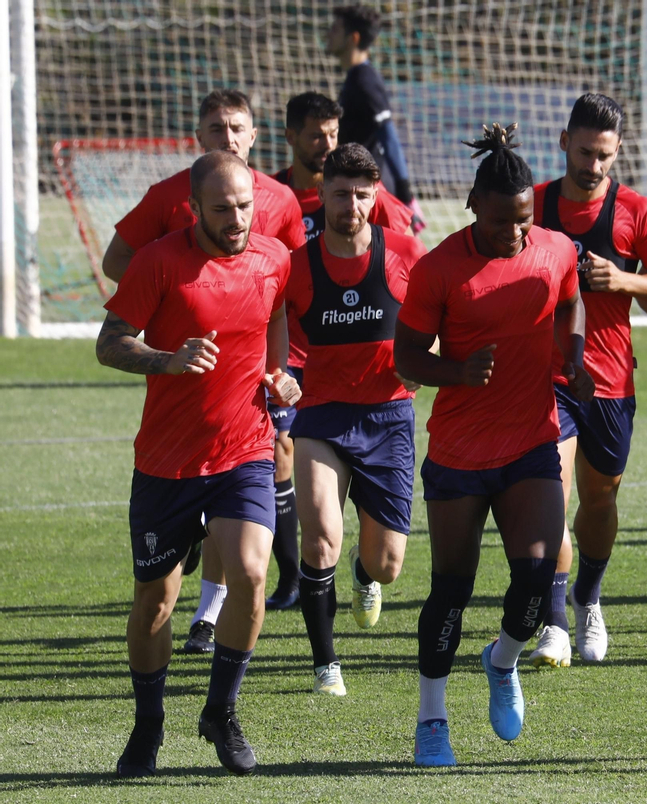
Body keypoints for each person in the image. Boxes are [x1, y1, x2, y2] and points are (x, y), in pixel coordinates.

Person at [393, 123, 590, 767]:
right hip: (457, 452)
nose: (517, 233)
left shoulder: (555, 249)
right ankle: (431, 719)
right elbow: (405, 357)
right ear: (474, 204)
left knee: (537, 576)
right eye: (504, 220)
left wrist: (577, 357)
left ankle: (502, 659)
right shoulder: (439, 269)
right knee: (452, 587)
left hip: (531, 440)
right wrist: (459, 370)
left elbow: (571, 303)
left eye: (525, 219)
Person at [101, 151, 301, 777]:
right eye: (223, 209)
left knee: (249, 573)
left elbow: (275, 314)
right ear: (194, 209)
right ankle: (148, 725)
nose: (238, 218)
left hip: (244, 449)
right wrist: (166, 359)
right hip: (166, 462)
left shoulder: (274, 257)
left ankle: (222, 710)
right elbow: (109, 343)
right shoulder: (160, 262)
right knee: (155, 602)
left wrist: (281, 375)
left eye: (245, 205)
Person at [527, 94, 647, 668]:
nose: (593, 165)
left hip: (611, 382)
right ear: (564, 142)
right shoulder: (535, 204)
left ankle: (589, 595)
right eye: (585, 151)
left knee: (599, 499)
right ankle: (556, 622)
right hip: (547, 379)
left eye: (605, 156)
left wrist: (624, 280)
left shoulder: (636, 211)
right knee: (552, 495)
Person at [285, 143, 428, 697]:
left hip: (389, 415)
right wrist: (282, 375)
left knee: (388, 565)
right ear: (321, 195)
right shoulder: (296, 265)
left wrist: (424, 358)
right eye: (340, 193)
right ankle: (326, 666)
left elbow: (437, 315)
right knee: (320, 536)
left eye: (362, 194)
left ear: (376, 197)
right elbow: (274, 333)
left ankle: (365, 575)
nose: (351, 203)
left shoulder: (407, 254)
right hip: (321, 414)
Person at [327, 4, 423, 231]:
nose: (329, 34)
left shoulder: (364, 81)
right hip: (362, 187)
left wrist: (404, 191)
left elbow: (388, 135)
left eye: (335, 29)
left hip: (374, 190)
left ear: (353, 38)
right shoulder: (355, 78)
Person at [274, 91, 414, 241]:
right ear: (290, 136)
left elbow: (410, 250)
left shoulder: (361, 189)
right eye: (317, 136)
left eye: (333, 135)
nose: (328, 144)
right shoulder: (270, 193)